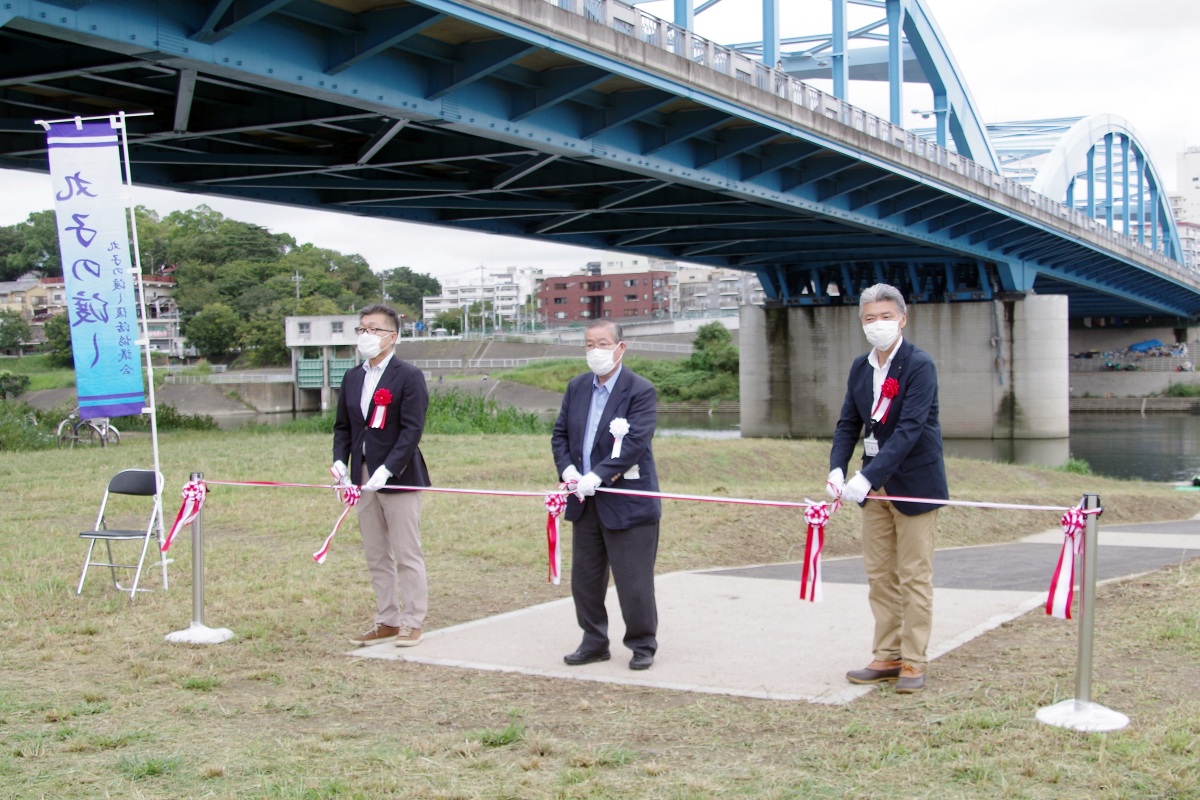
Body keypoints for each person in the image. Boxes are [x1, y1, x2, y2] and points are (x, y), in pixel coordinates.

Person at [827, 284, 948, 694]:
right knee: (879, 575)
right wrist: (838, 469)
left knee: (914, 576)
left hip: (914, 483)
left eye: (884, 317)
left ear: (902, 318)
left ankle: (914, 661)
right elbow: (849, 423)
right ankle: (886, 654)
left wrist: (868, 476)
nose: (876, 325)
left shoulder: (919, 365)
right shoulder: (861, 368)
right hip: (872, 487)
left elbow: (911, 430)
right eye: (868, 318)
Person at [551, 320, 661, 671]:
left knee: (633, 580)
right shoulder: (577, 387)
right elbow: (560, 435)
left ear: (620, 347)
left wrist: (598, 475)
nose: (594, 350)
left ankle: (642, 644)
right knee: (585, 578)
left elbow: (634, 443)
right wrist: (568, 471)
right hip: (584, 501)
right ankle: (594, 641)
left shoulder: (640, 390)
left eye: (601, 343)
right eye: (588, 344)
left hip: (628, 501)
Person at [333, 304, 432, 648]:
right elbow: (344, 426)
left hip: (398, 474)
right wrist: (340, 462)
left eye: (373, 329)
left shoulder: (408, 376)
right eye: (361, 329)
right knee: (375, 552)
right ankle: (386, 619)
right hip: (362, 474)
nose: (365, 335)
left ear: (392, 336)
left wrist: (388, 467)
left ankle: (413, 620)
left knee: (406, 552)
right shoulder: (353, 377)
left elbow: (411, 430)